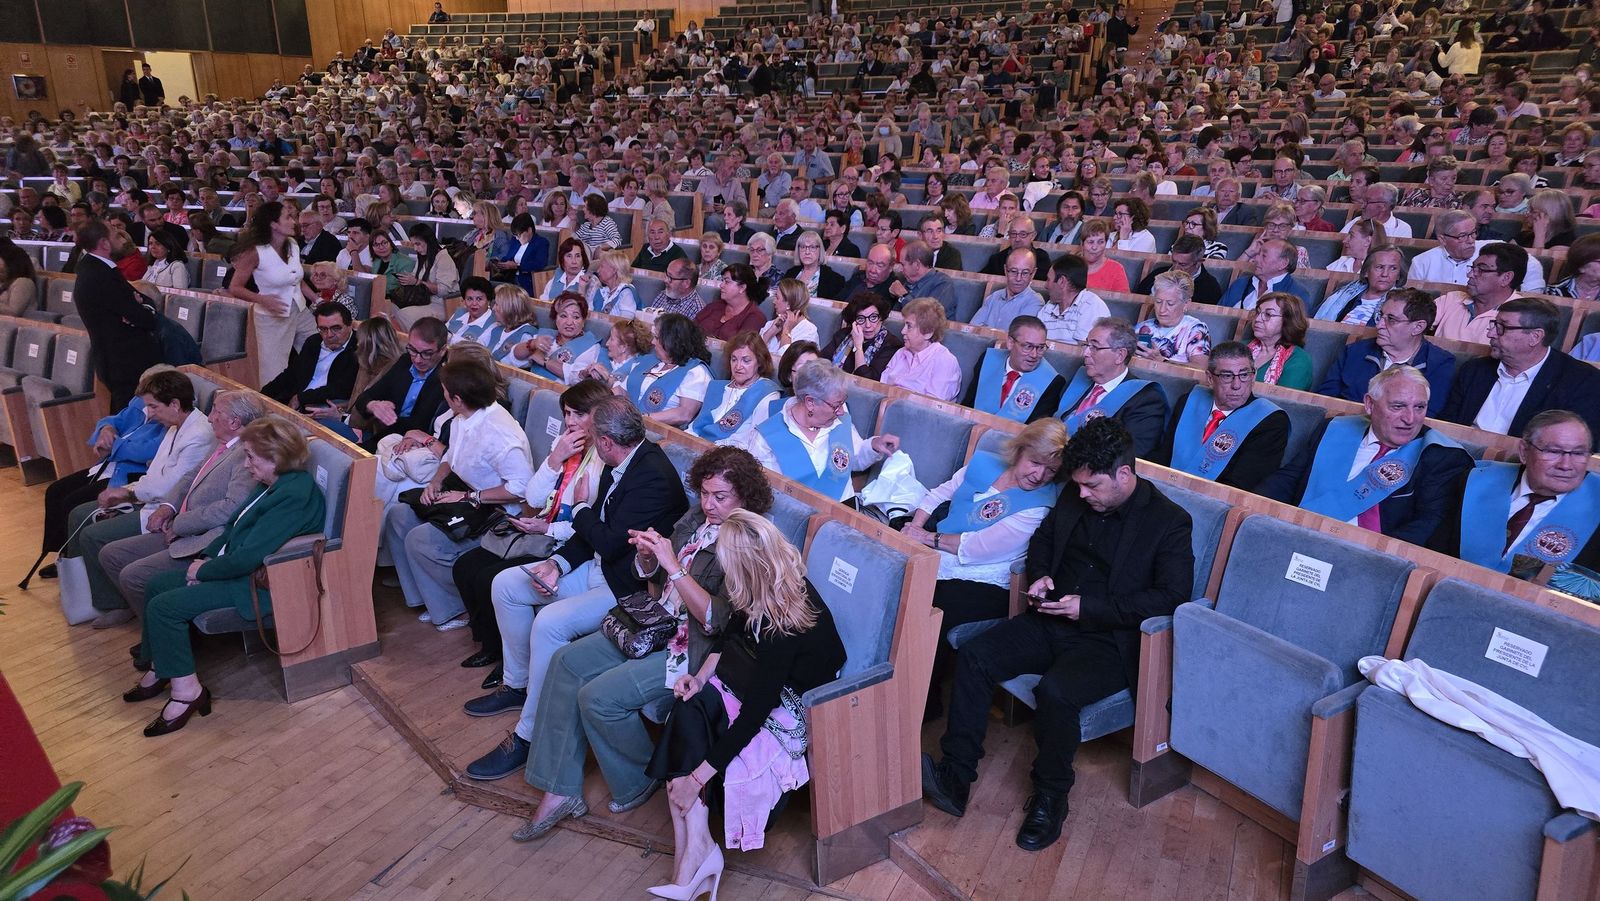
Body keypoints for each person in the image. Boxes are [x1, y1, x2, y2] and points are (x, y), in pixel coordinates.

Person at [921, 417, 1193, 852]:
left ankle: (1050, 797)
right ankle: (956, 775)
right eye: (1078, 485)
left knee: (1057, 693)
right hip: (1050, 617)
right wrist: (1043, 575)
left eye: (1092, 487)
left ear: (1124, 474)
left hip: (1108, 639)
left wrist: (1089, 608)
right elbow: (1045, 540)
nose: (1081, 494)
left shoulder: (1169, 522)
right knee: (974, 656)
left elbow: (1170, 597)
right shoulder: (1076, 493)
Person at [514, 446, 772, 840]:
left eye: (720, 497)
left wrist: (674, 565)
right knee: (566, 662)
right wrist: (649, 559)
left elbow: (718, 621)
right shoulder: (695, 518)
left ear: (745, 496)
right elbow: (656, 584)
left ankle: (637, 779)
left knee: (597, 698)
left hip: (693, 649)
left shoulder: (748, 541)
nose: (708, 504)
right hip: (653, 623)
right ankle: (558, 788)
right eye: (704, 493)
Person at [461, 398, 688, 781]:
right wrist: (557, 564)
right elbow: (593, 535)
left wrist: (580, 509)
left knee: (550, 622)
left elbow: (611, 542)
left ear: (606, 442)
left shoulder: (653, 477)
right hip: (593, 565)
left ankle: (528, 735)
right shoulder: (618, 459)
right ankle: (518, 685)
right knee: (507, 584)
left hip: (627, 587)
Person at [643, 511, 843, 892]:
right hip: (755, 678)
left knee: (689, 756)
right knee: (688, 705)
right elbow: (728, 635)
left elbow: (754, 716)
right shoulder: (757, 586)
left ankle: (689, 867)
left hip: (794, 702)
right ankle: (692, 855)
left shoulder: (781, 624)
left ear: (745, 567)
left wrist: (696, 778)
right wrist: (699, 677)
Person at [120, 416, 326, 737]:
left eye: (251, 458)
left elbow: (249, 557)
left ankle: (188, 692)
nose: (246, 465)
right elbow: (232, 531)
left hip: (256, 583)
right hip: (233, 569)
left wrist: (204, 570)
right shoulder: (270, 485)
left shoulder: (294, 495)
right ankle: (161, 665)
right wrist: (204, 558)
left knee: (165, 607)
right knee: (157, 584)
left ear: (275, 458)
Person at [451, 379, 613, 689]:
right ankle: (490, 645)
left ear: (599, 415)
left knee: (490, 578)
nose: (570, 422)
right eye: (566, 413)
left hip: (565, 540)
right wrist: (556, 459)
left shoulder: (603, 460)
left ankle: (507, 663)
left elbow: (588, 522)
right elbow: (535, 498)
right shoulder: (565, 444)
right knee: (465, 566)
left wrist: (547, 527)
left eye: (579, 414)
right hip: (540, 527)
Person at [94, 391, 265, 651]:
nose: (209, 418)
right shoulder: (221, 444)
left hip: (203, 539)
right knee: (111, 554)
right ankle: (157, 630)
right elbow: (188, 478)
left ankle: (166, 642)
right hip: (180, 526)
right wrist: (167, 507)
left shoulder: (246, 453)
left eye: (216, 412)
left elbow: (230, 509)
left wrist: (180, 523)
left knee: (133, 576)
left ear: (234, 421)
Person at [381, 356, 535, 631]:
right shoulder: (465, 417)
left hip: (496, 514)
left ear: (458, 398)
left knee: (422, 539)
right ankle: (424, 598)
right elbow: (451, 456)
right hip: (465, 495)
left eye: (444, 391)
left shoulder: (499, 433)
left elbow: (520, 488)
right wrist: (436, 483)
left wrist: (468, 498)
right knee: (399, 515)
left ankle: (456, 609)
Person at [905, 418, 1067, 663]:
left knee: (930, 610)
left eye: (1051, 470)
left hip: (985, 576)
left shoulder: (1040, 504)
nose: (1040, 475)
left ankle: (924, 693)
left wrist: (924, 537)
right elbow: (940, 494)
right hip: (940, 547)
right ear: (1020, 450)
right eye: (1035, 463)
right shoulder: (985, 463)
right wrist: (914, 527)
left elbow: (978, 548)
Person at [1261, 366, 1474, 543]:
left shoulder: (1442, 456)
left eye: (1419, 407)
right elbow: (1289, 479)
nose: (1410, 419)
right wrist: (1254, 507)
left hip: (1367, 559)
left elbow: (1428, 526)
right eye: (1398, 406)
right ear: (1370, 404)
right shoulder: (1333, 429)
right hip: (1299, 534)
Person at [1428, 410, 1599, 586]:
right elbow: (1432, 552)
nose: (1566, 465)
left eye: (1579, 453)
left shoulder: (1596, 508)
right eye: (1554, 451)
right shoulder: (1474, 481)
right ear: (1524, 452)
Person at [35, 367, 172, 579]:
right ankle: (61, 552)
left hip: (129, 474)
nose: (147, 409)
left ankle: (74, 558)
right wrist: (106, 430)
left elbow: (151, 449)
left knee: (73, 501)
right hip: (108, 464)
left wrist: (114, 446)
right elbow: (114, 420)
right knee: (55, 490)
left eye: (152, 403)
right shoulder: (139, 404)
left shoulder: (169, 418)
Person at [727, 361, 897, 504]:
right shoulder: (766, 437)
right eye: (835, 405)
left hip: (845, 516)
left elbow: (854, 458)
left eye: (842, 403)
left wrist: (874, 445)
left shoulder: (840, 422)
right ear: (810, 402)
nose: (840, 411)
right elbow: (762, 493)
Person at [1439, 298, 1600, 437]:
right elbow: (1445, 427)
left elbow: (1575, 448)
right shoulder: (1474, 370)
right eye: (1493, 325)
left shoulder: (1581, 382)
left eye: (1502, 327)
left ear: (1535, 337)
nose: (1490, 334)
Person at [1153, 341, 1290, 491]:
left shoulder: (1270, 421)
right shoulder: (1189, 402)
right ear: (1210, 378)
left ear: (1254, 376)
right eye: (1227, 376)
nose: (1237, 385)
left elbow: (1242, 484)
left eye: (1244, 375)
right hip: (1162, 489)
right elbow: (1163, 456)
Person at [71, 221, 162, 411]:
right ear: (104, 243)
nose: (121, 236)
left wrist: (140, 307)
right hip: (124, 364)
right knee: (129, 422)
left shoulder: (97, 268)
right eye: (115, 234)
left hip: (119, 360)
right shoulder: (100, 275)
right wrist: (139, 309)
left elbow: (145, 302)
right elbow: (145, 318)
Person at [1319, 290, 1455, 416]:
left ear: (1418, 327)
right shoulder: (1353, 352)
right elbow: (1324, 402)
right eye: (1381, 316)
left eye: (1391, 319)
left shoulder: (1439, 364)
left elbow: (1427, 417)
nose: (1379, 325)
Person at [1057, 318, 1170, 457]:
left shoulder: (1145, 399)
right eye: (1086, 345)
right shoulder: (1076, 382)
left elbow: (1130, 455)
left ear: (1120, 355)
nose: (1085, 353)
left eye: (1095, 347)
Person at [227, 201, 308, 383]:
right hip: (272, 317)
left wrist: (316, 299)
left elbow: (297, 279)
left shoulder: (293, 244)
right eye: (287, 218)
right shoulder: (254, 252)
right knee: (273, 371)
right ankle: (274, 407)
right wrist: (262, 300)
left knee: (317, 349)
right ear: (273, 224)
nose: (294, 222)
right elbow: (235, 287)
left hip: (300, 310)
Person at [352, 317, 448, 450]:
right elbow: (364, 397)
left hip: (416, 448)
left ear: (442, 350)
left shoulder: (446, 378)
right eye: (412, 350)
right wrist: (373, 405)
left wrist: (390, 418)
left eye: (427, 353)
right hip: (384, 438)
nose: (417, 359)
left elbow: (423, 425)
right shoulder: (405, 361)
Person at [963, 316, 1066, 423]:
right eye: (1028, 346)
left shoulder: (1052, 382)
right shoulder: (987, 360)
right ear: (1010, 343)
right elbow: (967, 405)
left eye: (1040, 347)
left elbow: (1033, 432)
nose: (1034, 355)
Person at [261, 301, 359, 412]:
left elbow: (343, 388)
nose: (329, 335)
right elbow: (292, 374)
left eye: (336, 328)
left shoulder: (360, 348)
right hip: (297, 403)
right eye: (323, 329)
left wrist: (301, 398)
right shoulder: (314, 342)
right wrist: (262, 394)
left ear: (350, 325)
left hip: (324, 408)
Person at [625, 313, 713, 427]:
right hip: (627, 420)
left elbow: (684, 414)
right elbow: (622, 390)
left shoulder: (696, 372)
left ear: (672, 341)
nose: (652, 342)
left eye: (657, 338)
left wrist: (640, 419)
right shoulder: (650, 360)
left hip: (656, 430)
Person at [1432, 242, 1529, 344]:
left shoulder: (1521, 316)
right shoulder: (1452, 299)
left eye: (1482, 269)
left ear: (1506, 278)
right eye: (1473, 268)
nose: (1469, 274)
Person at [690, 332, 778, 442]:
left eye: (746, 360)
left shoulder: (767, 393)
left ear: (760, 362)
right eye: (734, 359)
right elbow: (695, 427)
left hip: (731, 454)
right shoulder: (717, 387)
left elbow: (756, 441)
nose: (738, 366)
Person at [881, 298, 963, 401]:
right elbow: (881, 389)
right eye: (904, 325)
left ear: (928, 333)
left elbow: (929, 409)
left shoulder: (945, 361)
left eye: (909, 326)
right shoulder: (900, 353)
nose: (902, 331)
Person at [514, 292, 604, 384]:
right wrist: (532, 344)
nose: (569, 322)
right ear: (555, 319)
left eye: (576, 317)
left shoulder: (590, 346)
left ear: (583, 321)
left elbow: (578, 377)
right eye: (563, 316)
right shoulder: (546, 334)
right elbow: (516, 355)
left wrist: (545, 361)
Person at [1313, 245, 1407, 326]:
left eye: (1393, 268)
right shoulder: (1344, 292)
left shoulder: (1403, 303)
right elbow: (1313, 320)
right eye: (1380, 267)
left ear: (1399, 275)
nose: (1385, 274)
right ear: (1366, 271)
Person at [1134, 271, 1212, 368]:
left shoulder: (1196, 329)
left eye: (1170, 303)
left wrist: (1161, 360)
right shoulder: (1142, 327)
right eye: (1158, 302)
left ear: (1186, 304)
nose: (1162, 309)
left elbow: (1201, 368)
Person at [819, 292, 902, 382]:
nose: (868, 325)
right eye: (861, 319)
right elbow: (821, 362)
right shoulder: (844, 335)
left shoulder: (891, 345)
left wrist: (858, 347)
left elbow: (867, 382)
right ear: (854, 322)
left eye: (873, 317)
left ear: (881, 317)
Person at [1247, 293, 1314, 390]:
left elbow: (1282, 402)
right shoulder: (1241, 347)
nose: (1257, 319)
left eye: (1268, 314)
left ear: (1287, 321)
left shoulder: (1298, 360)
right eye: (1258, 312)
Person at [1218, 238, 1310, 310]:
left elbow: (1294, 330)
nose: (1256, 259)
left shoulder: (1297, 294)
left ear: (1283, 263)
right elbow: (1218, 317)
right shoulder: (1241, 283)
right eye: (1258, 254)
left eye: (1264, 256)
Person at [1134, 236, 1224, 307]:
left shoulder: (1210, 287)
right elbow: (1137, 300)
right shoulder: (1158, 273)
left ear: (1198, 263)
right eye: (1174, 261)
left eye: (1182, 264)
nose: (1175, 268)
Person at [971, 248, 1043, 331]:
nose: (1018, 278)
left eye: (1025, 273)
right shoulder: (994, 297)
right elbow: (973, 328)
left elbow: (1017, 337)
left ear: (1033, 273)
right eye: (1013, 271)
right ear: (1005, 270)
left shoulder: (1035, 301)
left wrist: (986, 330)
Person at [694, 262, 768, 341]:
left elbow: (741, 347)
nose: (721, 285)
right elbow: (692, 328)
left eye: (727, 282)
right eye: (722, 281)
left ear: (742, 288)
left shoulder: (755, 318)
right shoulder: (715, 305)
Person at [889, 240, 961, 321]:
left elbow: (927, 319)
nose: (901, 269)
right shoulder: (907, 279)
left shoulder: (943, 283)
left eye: (903, 264)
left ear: (917, 265)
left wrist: (903, 296)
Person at [759, 278, 820, 358]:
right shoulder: (771, 324)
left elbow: (786, 364)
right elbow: (753, 355)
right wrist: (770, 332)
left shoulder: (808, 332)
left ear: (789, 303)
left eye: (777, 298)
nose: (774, 302)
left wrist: (786, 330)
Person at [782, 231, 847, 300]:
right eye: (803, 247)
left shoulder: (834, 279)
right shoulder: (790, 273)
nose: (807, 252)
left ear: (820, 250)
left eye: (812, 247)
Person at [543, 237, 595, 303]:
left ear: (583, 259)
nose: (574, 261)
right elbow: (544, 300)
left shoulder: (591, 281)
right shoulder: (558, 275)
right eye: (569, 256)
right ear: (562, 260)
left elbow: (589, 310)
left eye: (578, 256)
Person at [591, 250, 640, 316]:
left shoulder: (626, 292)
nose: (598, 270)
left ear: (614, 270)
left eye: (602, 266)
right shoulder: (603, 290)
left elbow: (626, 323)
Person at [0, 237, 38, 316]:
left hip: (14, 326)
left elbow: (13, 312)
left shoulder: (23, 282)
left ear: (11, 262)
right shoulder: (3, 282)